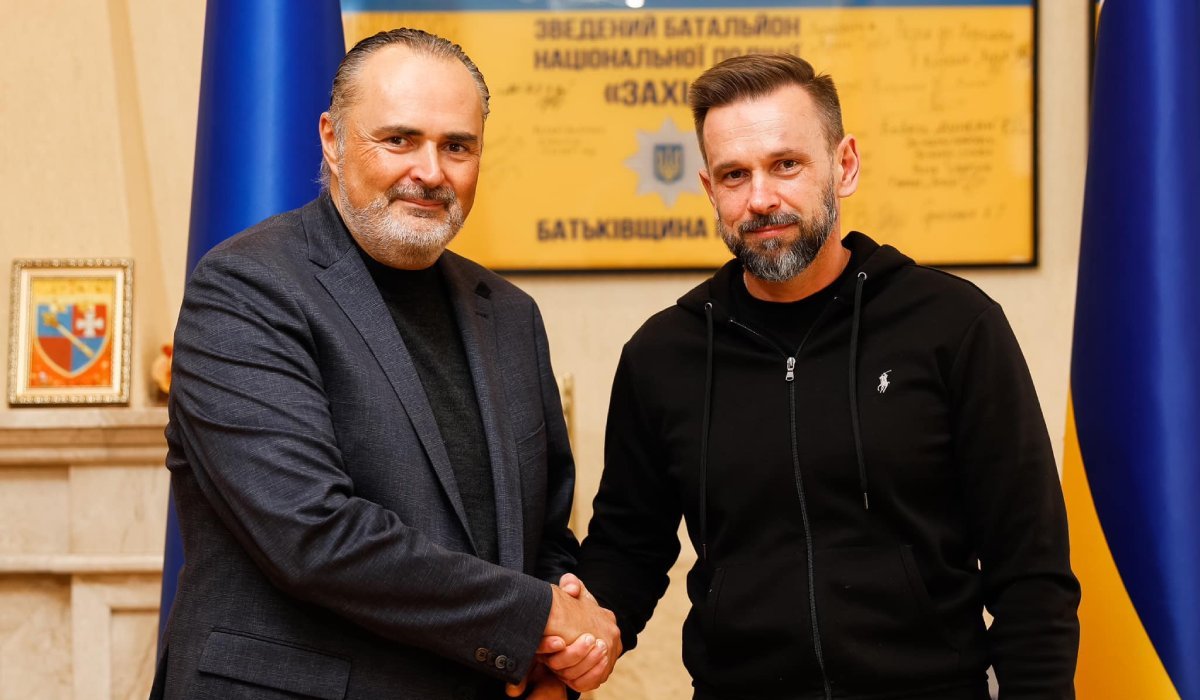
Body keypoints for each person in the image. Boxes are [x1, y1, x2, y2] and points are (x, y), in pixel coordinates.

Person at [573, 53, 1081, 699]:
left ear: (844, 166)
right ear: (709, 189)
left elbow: (1030, 567)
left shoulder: (953, 325)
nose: (761, 198)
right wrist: (582, 639)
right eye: (735, 175)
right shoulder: (663, 354)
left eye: (786, 164)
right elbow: (628, 549)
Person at [151, 29, 617, 700]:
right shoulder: (246, 287)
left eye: (457, 146)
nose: (431, 172)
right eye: (399, 139)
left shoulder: (511, 314)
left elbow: (542, 532)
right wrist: (538, 618)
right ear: (332, 140)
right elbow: (312, 534)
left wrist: (554, 656)